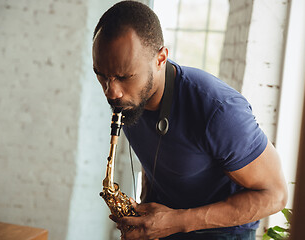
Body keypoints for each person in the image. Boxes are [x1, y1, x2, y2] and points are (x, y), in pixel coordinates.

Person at [92, 1, 288, 240]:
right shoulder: (130, 101)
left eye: (124, 76)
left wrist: (176, 221)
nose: (111, 92)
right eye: (101, 75)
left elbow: (275, 195)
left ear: (161, 58)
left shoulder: (218, 109)